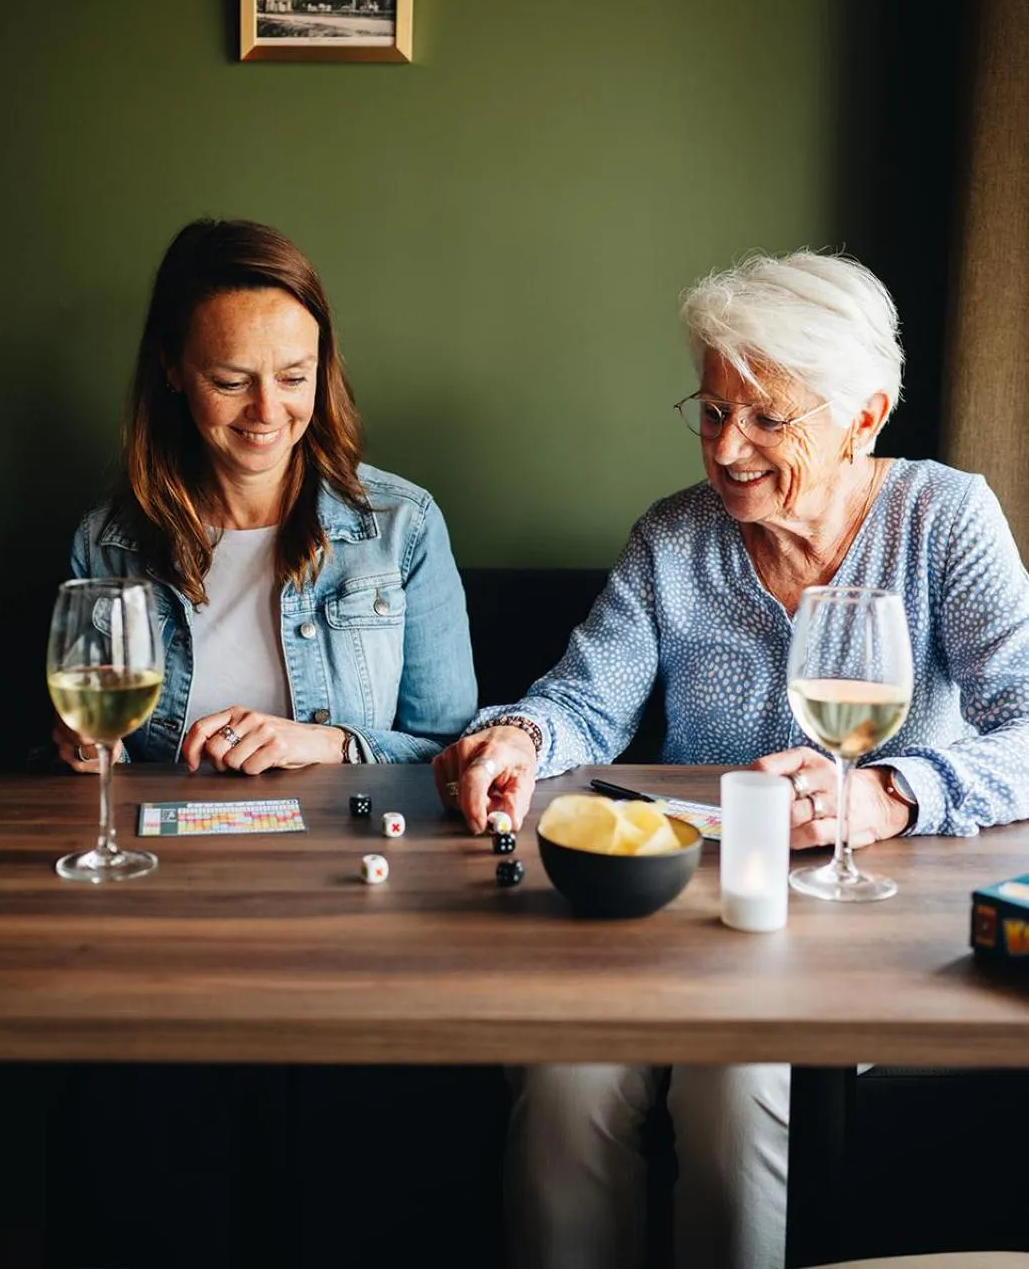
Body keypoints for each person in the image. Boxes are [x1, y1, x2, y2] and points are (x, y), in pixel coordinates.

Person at [433, 248, 1029, 1269]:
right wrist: (520, 739)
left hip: (864, 921)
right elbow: (584, 700)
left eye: (765, 418)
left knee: (740, 1076)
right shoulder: (674, 538)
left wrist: (887, 793)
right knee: (562, 1070)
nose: (726, 446)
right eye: (711, 411)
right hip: (678, 914)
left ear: (863, 417)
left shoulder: (943, 519)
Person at [52, 217, 475, 776]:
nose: (268, 411)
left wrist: (328, 744)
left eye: (294, 378)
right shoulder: (104, 544)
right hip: (166, 832)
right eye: (231, 382)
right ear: (172, 368)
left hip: (340, 831)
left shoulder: (403, 525)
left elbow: (450, 749)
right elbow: (97, 758)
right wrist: (89, 751)